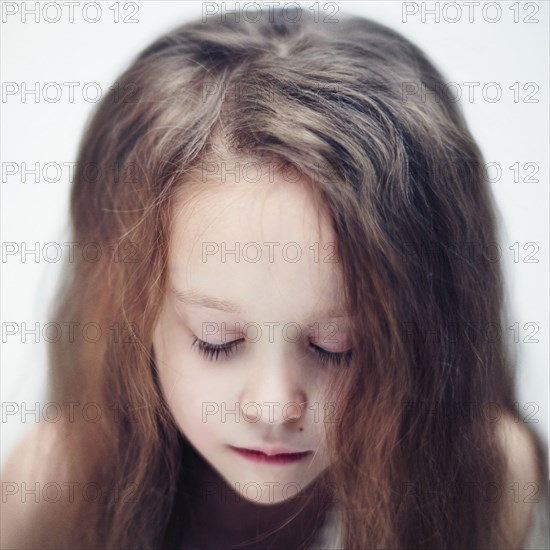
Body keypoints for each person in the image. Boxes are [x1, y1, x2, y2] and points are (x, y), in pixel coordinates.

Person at [1, 7, 548, 549]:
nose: (273, 406)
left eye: (338, 347)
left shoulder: (484, 481)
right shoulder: (52, 492)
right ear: (125, 309)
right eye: (217, 340)